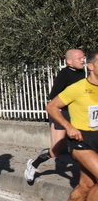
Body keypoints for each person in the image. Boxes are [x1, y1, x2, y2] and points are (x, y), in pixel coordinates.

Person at [47, 50, 98, 201]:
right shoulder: (77, 87)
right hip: (81, 141)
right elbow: (51, 106)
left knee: (86, 186)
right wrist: (68, 127)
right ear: (90, 66)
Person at [24, 49, 86, 183]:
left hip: (77, 114)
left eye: (83, 58)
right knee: (56, 151)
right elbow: (53, 96)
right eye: (79, 58)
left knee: (84, 145)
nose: (83, 60)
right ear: (69, 62)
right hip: (61, 113)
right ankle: (33, 164)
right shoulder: (64, 74)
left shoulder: (83, 72)